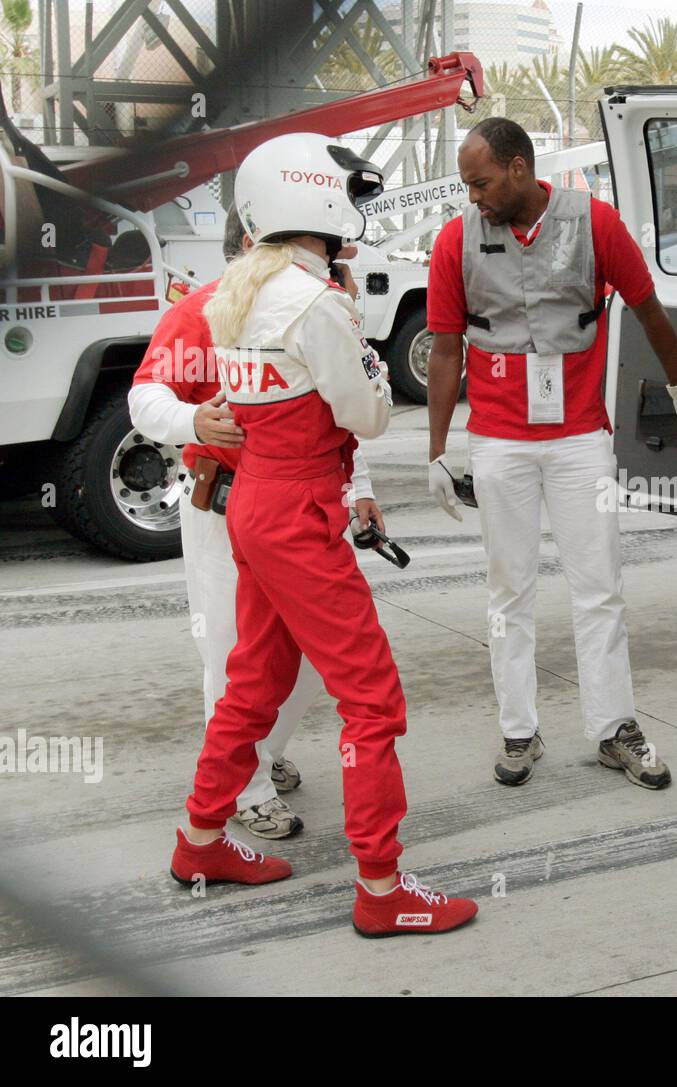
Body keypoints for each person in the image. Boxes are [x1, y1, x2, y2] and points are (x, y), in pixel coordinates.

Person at [168, 132, 477, 938]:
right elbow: (368, 414)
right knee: (372, 700)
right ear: (317, 198)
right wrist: (368, 358)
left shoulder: (234, 292)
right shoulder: (316, 301)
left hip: (254, 508)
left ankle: (199, 840)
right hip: (301, 512)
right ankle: (381, 886)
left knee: (252, 685)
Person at [424, 117, 677, 788]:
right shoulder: (456, 241)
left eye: (481, 182)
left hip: (580, 439)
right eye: (467, 185)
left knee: (599, 588)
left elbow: (649, 309)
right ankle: (518, 731)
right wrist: (439, 450)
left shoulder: (595, 224)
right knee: (510, 593)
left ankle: (614, 727)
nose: (473, 196)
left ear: (521, 170)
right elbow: (446, 348)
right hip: (500, 442)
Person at [129, 206, 384, 841]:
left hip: (297, 503)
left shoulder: (312, 304)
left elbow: (338, 409)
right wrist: (194, 423)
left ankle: (258, 756)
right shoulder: (205, 310)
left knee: (288, 659)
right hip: (227, 506)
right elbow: (145, 396)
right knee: (231, 653)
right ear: (252, 242)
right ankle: (248, 787)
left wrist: (360, 487)